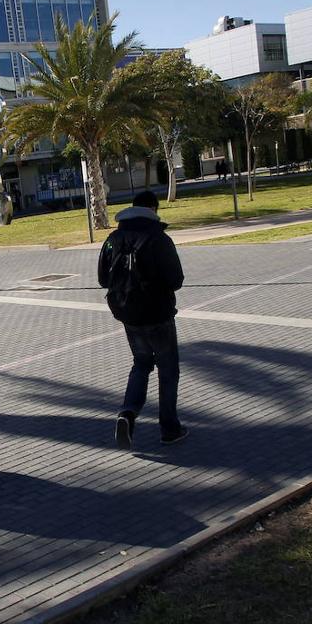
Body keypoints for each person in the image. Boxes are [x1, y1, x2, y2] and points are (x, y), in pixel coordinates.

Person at [97, 190, 186, 449]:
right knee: (168, 370)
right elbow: (176, 280)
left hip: (129, 315)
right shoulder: (159, 238)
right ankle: (170, 428)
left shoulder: (113, 238)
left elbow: (104, 279)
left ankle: (127, 412)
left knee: (141, 364)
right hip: (158, 314)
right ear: (154, 210)